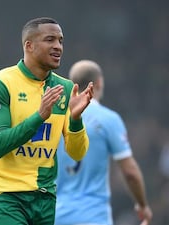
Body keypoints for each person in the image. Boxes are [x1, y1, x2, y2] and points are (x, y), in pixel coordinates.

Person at [0, 17, 94, 225]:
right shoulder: (0, 83)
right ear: (29, 46)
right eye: (50, 40)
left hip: (45, 197)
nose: (58, 46)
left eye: (60, 40)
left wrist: (76, 120)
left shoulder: (66, 89)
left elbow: (77, 153)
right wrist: (39, 116)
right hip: (6, 195)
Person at [55, 59, 153, 225]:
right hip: (93, 216)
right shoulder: (108, 119)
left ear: (73, 85)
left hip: (55, 216)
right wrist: (142, 205)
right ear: (99, 83)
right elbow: (130, 173)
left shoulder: (55, 119)